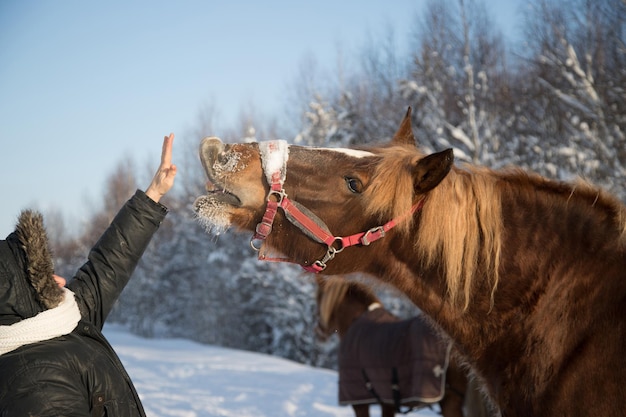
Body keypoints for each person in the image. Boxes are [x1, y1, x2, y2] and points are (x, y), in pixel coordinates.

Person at [0, 133, 177, 417]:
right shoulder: (36, 384)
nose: (57, 279)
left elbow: (107, 267)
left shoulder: (51, 328)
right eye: (41, 276)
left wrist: (153, 194)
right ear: (20, 294)